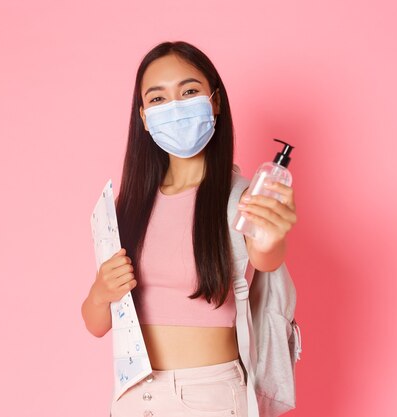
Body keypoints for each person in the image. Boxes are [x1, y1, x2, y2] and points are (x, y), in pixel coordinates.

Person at [81, 41, 297, 417]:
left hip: (207, 397)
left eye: (189, 91)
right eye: (158, 98)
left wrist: (273, 236)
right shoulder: (125, 209)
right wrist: (101, 292)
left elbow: (265, 256)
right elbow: (97, 325)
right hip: (133, 398)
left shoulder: (240, 198)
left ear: (214, 101)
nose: (175, 107)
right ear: (144, 117)